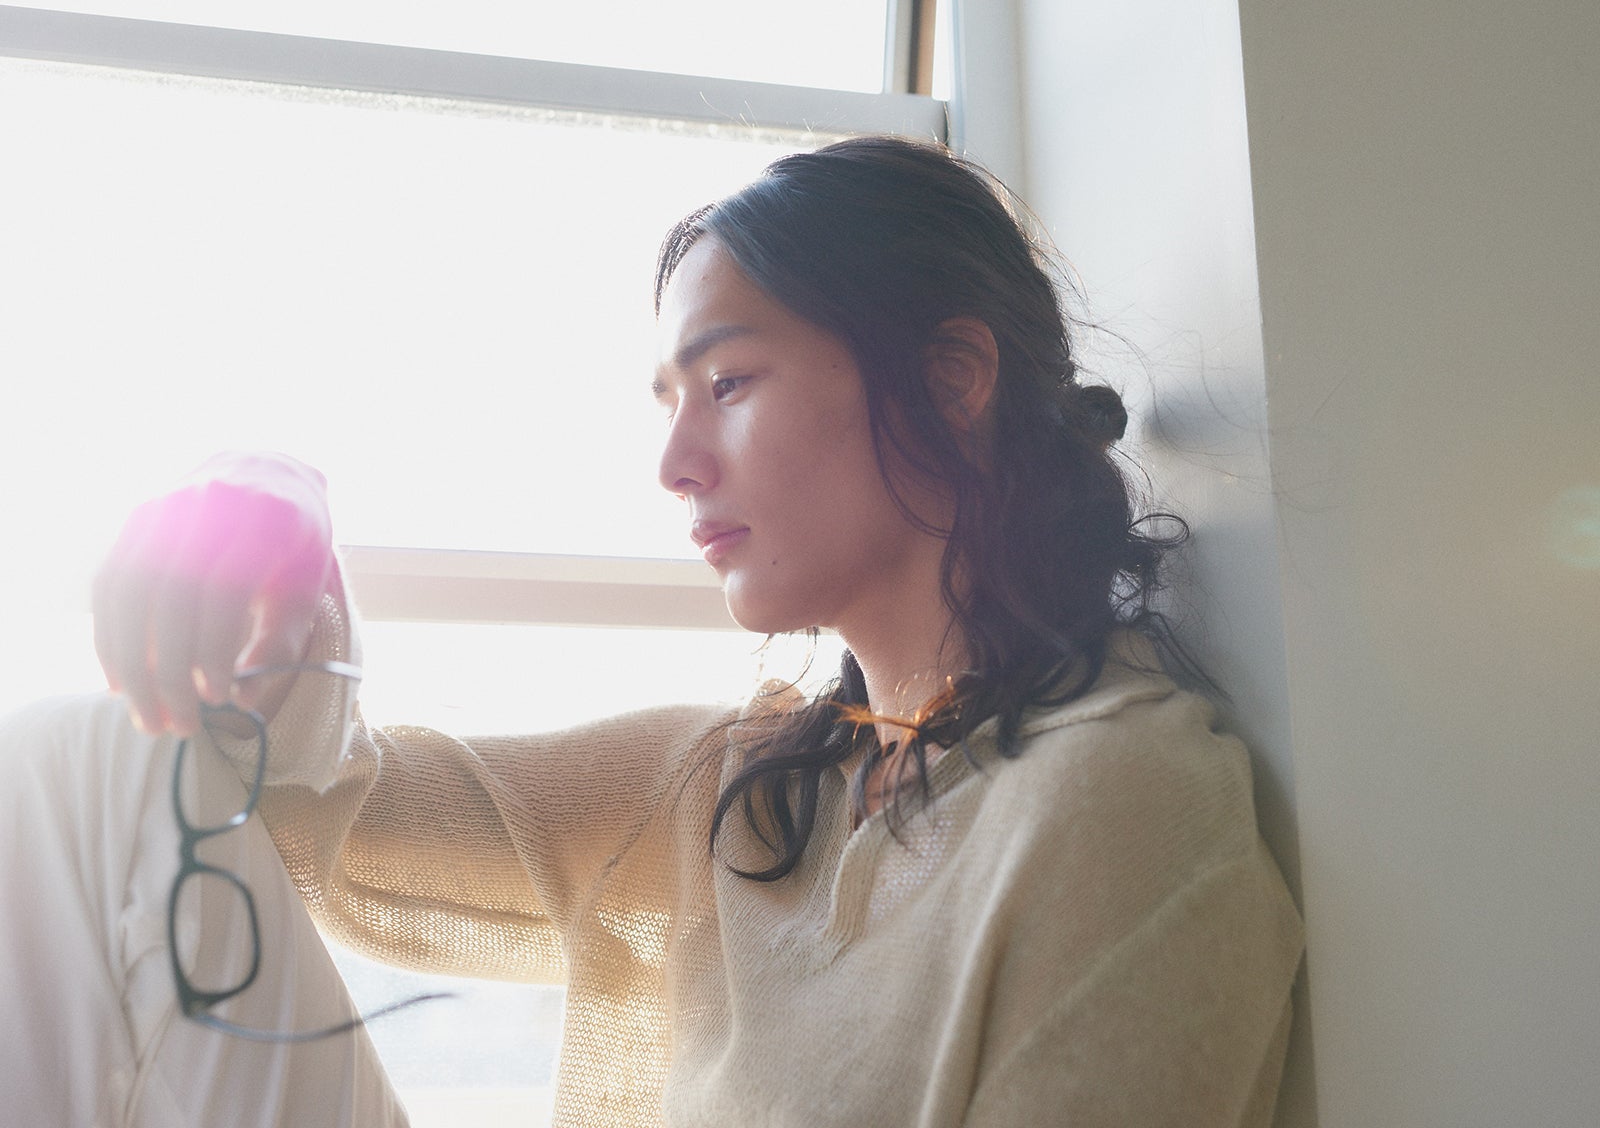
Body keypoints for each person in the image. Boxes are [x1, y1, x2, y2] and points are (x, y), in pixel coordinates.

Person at [0, 136, 1303, 1126]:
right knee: (82, 761)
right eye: (669, 400)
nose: (675, 463)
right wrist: (279, 521)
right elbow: (309, 821)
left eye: (727, 382)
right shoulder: (732, 786)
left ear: (952, 378)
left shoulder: (1119, 798)